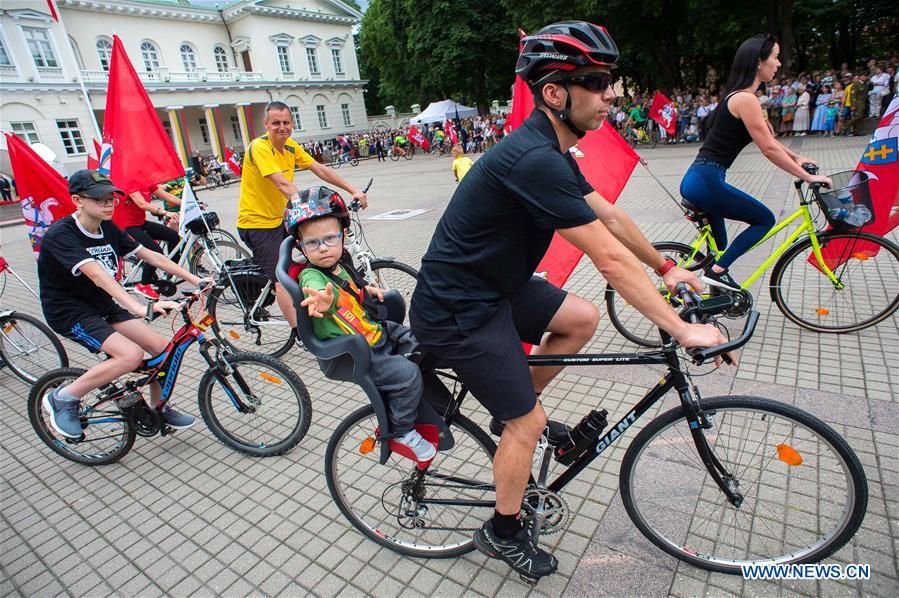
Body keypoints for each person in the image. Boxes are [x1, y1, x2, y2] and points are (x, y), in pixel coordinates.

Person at [409, 21, 732, 582]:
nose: (612, 94)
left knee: (580, 319)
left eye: (611, 81)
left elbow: (611, 216)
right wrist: (681, 329)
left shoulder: (552, 152)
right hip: (456, 308)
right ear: (555, 93)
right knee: (528, 424)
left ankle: (510, 412)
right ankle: (502, 528)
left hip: (497, 288)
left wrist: (668, 267)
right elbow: (607, 259)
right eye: (597, 82)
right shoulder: (532, 158)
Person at [38, 170, 204, 438]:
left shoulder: (107, 227)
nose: (108, 204)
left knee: (163, 348)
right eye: (99, 199)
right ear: (78, 200)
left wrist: (196, 280)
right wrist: (138, 308)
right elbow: (97, 275)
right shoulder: (62, 234)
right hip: (70, 311)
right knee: (130, 355)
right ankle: (63, 398)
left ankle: (159, 408)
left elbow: (149, 255)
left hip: (102, 304)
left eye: (111, 198)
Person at [284, 187, 436, 462]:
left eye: (329, 238)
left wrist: (368, 291)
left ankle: (409, 381)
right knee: (407, 375)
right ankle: (401, 430)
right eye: (312, 242)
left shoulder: (340, 264)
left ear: (343, 236)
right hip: (356, 353)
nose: (322, 248)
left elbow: (353, 289)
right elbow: (323, 297)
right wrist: (322, 302)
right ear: (300, 246)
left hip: (372, 331)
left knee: (418, 337)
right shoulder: (312, 277)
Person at [679, 34, 832, 291]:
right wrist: (808, 177)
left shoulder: (737, 97)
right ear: (759, 62)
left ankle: (710, 294)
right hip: (706, 180)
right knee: (764, 220)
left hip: (700, 178)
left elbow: (769, 139)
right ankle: (716, 275)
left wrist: (797, 156)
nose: (779, 63)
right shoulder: (745, 99)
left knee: (721, 246)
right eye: (775, 56)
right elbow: (769, 149)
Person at [236, 101, 367, 329]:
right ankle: (300, 332)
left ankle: (347, 304)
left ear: (292, 124)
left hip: (280, 219)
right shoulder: (259, 147)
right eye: (276, 122)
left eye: (286, 122)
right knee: (282, 279)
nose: (282, 127)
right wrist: (313, 211)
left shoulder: (290, 147)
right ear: (266, 123)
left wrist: (352, 189)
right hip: (257, 224)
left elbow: (320, 169)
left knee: (329, 254)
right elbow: (280, 182)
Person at [113, 183, 183, 300]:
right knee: (156, 252)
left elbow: (168, 197)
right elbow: (142, 204)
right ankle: (143, 285)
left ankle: (169, 269)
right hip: (128, 227)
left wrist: (190, 204)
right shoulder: (130, 183)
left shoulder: (147, 183)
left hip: (141, 223)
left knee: (173, 236)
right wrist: (165, 212)